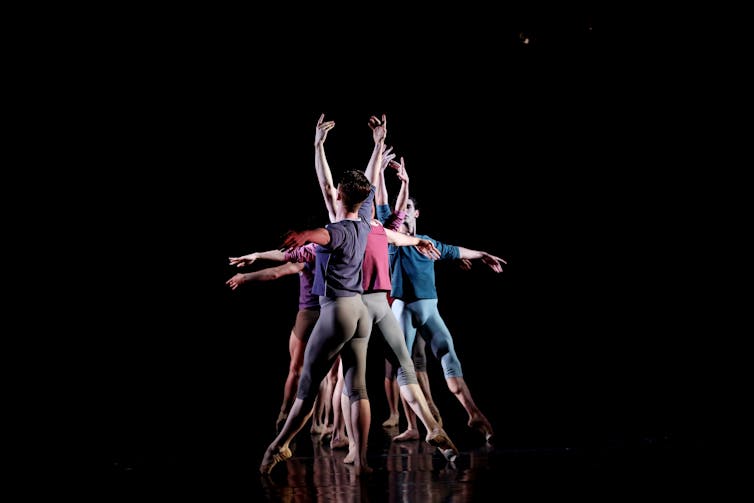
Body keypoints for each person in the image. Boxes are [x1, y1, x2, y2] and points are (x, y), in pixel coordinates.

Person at [313, 114, 459, 463]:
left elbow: (326, 182)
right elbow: (377, 195)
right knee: (405, 367)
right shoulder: (372, 222)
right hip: (383, 303)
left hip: (354, 304)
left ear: (341, 197)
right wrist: (378, 145)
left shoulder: (341, 222)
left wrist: (318, 146)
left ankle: (350, 446)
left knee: (353, 380)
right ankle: (429, 423)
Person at [259, 115, 381, 475]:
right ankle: (360, 462)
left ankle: (274, 449)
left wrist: (305, 234)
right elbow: (361, 183)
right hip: (361, 312)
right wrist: (375, 145)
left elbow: (324, 235)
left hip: (338, 310)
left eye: (335, 191)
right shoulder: (364, 218)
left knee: (308, 388)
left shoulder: (338, 229)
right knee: (357, 388)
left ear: (340, 196)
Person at [388, 187, 507, 444]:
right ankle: (415, 425)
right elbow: (387, 205)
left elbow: (454, 250)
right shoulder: (392, 238)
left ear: (417, 212)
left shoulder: (428, 241)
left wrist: (481, 255)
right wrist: (402, 182)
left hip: (431, 310)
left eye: (409, 207)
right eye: (402, 208)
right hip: (402, 310)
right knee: (404, 367)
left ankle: (473, 414)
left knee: (448, 357)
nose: (404, 211)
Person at [226, 245, 339, 438]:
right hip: (332, 315)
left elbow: (277, 272)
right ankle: (320, 422)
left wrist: (245, 276)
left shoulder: (308, 254)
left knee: (296, 370)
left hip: (309, 316)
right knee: (324, 374)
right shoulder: (339, 251)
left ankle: (285, 413)